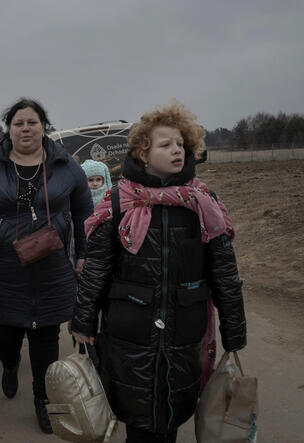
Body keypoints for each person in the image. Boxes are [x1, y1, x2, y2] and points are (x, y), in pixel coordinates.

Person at [71, 101, 247, 443]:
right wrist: (83, 320)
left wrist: (234, 330)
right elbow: (97, 269)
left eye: (181, 144)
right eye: (166, 145)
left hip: (185, 332)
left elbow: (225, 272)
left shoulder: (204, 202)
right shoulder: (118, 202)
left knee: (170, 418)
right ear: (143, 152)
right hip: (130, 332)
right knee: (138, 419)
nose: (177, 150)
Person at [0, 98, 92, 433]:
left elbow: (84, 213)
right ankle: (11, 366)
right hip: (6, 265)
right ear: (9, 129)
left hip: (52, 265)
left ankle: (43, 401)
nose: (26, 128)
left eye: (32, 122)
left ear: (43, 126)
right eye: (19, 123)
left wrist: (84, 254)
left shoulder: (63, 164)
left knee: (46, 338)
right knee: (5, 337)